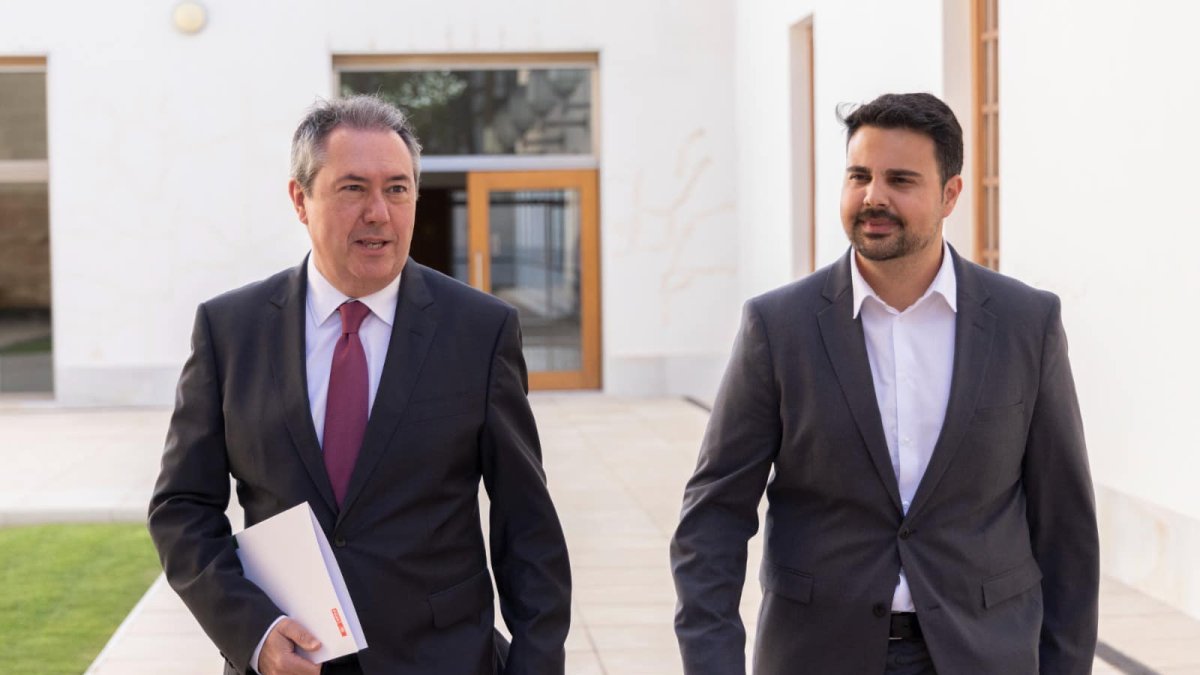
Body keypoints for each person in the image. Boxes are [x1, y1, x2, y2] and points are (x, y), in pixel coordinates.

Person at [669, 92, 1098, 675]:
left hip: (984, 653)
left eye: (900, 179)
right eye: (859, 176)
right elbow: (713, 517)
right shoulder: (778, 326)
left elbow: (1066, 528)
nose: (873, 197)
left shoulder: (1026, 323)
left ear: (950, 194)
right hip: (817, 654)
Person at [148, 95, 571, 675]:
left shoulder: (480, 331)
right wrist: (253, 631)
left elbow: (527, 524)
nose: (379, 212)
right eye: (353, 188)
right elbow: (182, 507)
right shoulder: (231, 330)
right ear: (300, 199)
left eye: (397, 189)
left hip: (442, 659)